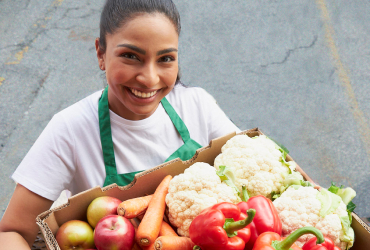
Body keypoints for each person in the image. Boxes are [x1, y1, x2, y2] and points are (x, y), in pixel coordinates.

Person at [0, 0, 240, 248]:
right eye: (130, 56)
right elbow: (11, 232)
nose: (149, 78)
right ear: (101, 54)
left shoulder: (197, 105)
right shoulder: (71, 129)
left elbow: (260, 166)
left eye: (165, 58)